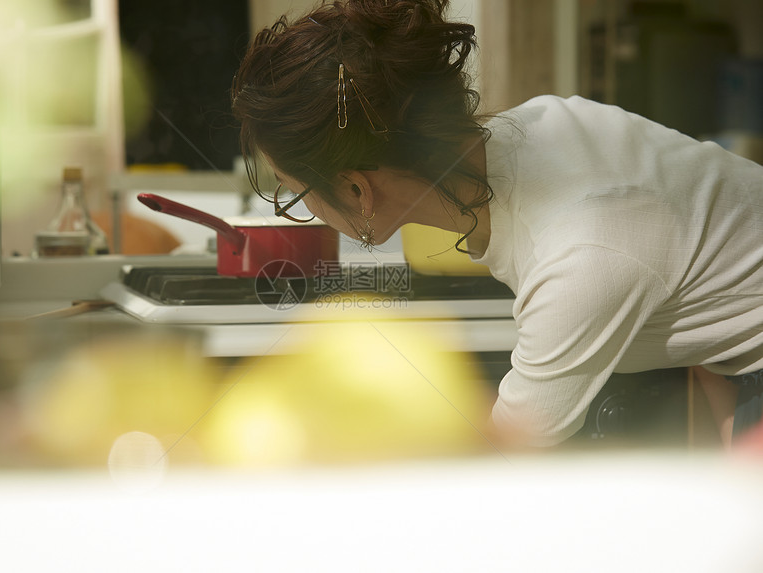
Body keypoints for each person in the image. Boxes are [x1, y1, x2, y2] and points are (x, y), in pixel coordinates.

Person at [230, 0, 763, 447]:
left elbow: (498, 464)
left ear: (355, 189)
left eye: (294, 190)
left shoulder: (580, 252)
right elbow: (713, 250)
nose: (299, 205)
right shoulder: (544, 125)